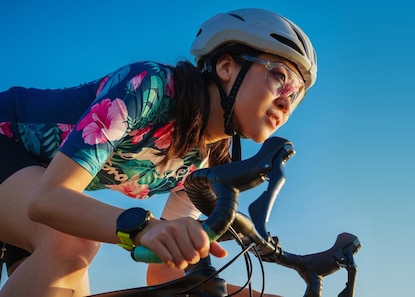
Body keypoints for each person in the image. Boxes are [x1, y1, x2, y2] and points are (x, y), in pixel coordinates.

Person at [0, 7, 316, 297]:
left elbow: (165, 272)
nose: (288, 101)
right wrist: (144, 226)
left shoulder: (205, 164)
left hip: (31, 185)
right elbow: (48, 199)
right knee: (72, 245)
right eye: (280, 77)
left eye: (298, 95)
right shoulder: (150, 87)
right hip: (10, 144)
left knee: (67, 284)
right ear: (226, 66)